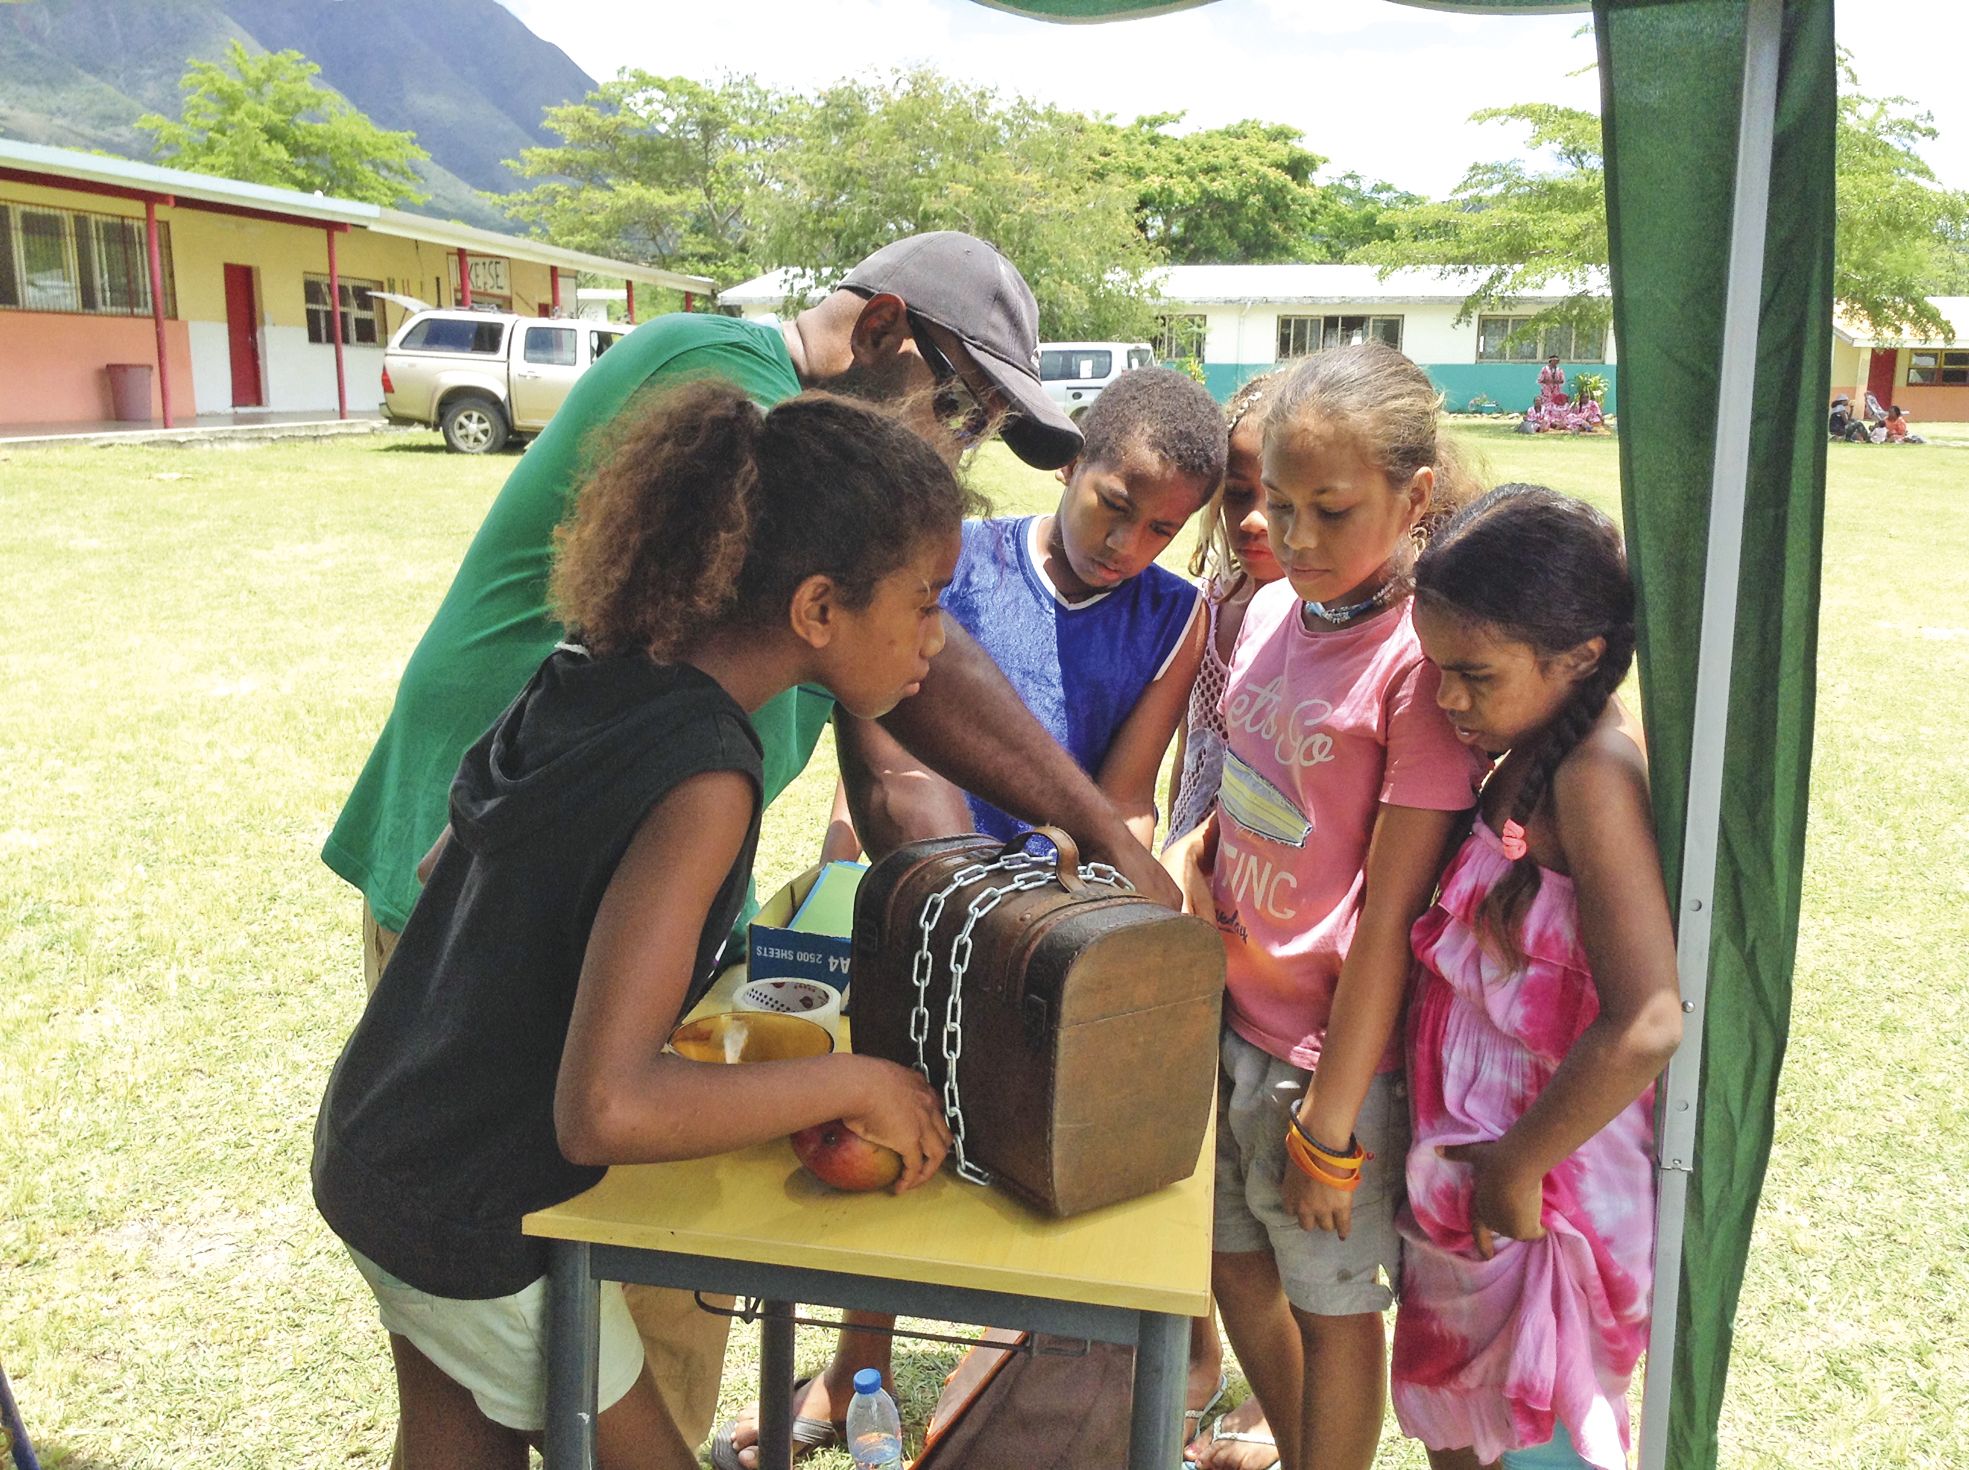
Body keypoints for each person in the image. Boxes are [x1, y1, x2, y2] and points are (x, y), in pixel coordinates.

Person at [312, 384, 970, 1470]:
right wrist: (854, 1083)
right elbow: (603, 1111)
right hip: (472, 1200)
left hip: (382, 1135)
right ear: (817, 608)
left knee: (455, 1433)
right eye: (927, 600)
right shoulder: (705, 776)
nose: (937, 639)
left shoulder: (590, 668)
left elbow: (444, 875)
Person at [713, 366, 1224, 1470]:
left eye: (1162, 530)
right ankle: (854, 1365)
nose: (1127, 543)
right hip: (919, 898)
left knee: (1019, 1145)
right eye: (1114, 505)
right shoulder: (953, 555)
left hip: (1058, 930)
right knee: (892, 1129)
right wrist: (942, 897)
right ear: (1071, 462)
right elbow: (886, 747)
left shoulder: (1176, 617)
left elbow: (1126, 793)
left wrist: (1096, 877)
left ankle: (1013, 1379)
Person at [1165, 341, 1487, 1470]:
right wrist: (1197, 854)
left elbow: (1393, 915)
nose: (1289, 535)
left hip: (1320, 1062)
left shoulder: (1415, 667)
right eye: (1274, 503)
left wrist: (1333, 1126)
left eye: (1329, 510)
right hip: (1222, 1020)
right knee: (1230, 1265)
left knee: (1334, 1313)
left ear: (1415, 496)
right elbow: (1250, 796)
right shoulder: (1266, 612)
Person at [1393, 485, 1683, 1470]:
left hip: (1540, 1201)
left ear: (1579, 657)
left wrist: (1515, 1168)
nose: (1447, 700)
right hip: (1482, 1197)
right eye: (1436, 669)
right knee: (1467, 1444)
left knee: (1532, 1446)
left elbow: (1646, 1019)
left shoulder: (1591, 773)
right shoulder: (1526, 751)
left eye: (1473, 675)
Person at [1169, 369, 1287, 1470]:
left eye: (1281, 497)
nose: (1254, 520)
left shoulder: (1358, 621)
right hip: (1192, 905)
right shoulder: (1216, 599)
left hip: (1283, 942)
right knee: (1194, 1151)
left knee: (1275, 1177)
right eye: (1237, 494)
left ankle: (1274, 1389)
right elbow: (1192, 755)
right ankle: (1195, 1351)